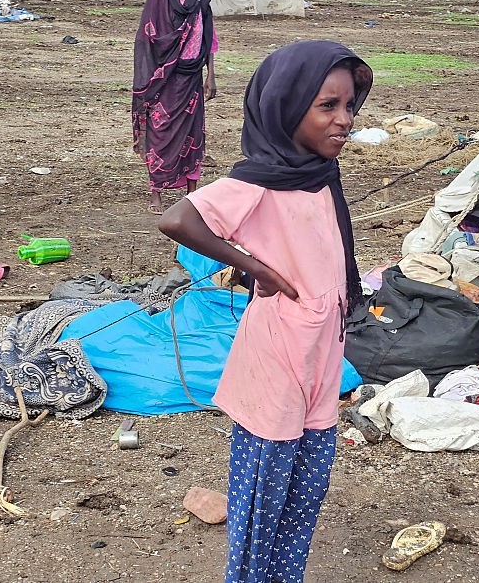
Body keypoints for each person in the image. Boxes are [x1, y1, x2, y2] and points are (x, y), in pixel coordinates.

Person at [159, 40, 372, 582]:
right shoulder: (259, 180)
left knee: (307, 482)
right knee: (264, 489)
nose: (344, 119)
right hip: (280, 350)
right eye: (328, 106)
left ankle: (285, 575)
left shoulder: (317, 174)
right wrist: (258, 269)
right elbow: (179, 220)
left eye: (350, 106)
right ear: (285, 107)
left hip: (320, 349)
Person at [132, 0, 217, 214]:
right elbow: (147, 37)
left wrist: (211, 75)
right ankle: (156, 193)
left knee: (193, 134)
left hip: (192, 78)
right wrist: (153, 73)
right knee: (160, 133)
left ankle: (192, 193)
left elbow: (209, 39)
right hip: (164, 79)